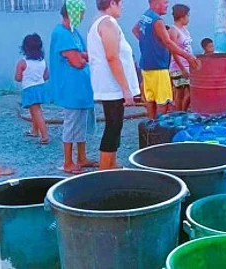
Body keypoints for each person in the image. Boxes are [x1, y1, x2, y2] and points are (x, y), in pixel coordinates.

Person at [88, 0, 140, 170]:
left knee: (116, 124)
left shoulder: (101, 23)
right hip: (112, 86)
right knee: (113, 125)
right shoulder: (108, 23)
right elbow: (112, 57)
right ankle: (104, 170)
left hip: (110, 84)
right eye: (120, 3)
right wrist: (126, 88)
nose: (122, 6)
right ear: (112, 3)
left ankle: (112, 164)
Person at [49, 0, 97, 174]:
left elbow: (83, 55)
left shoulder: (73, 32)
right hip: (71, 88)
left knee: (81, 122)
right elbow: (77, 61)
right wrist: (83, 59)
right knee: (71, 123)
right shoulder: (62, 33)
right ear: (73, 13)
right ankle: (68, 161)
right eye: (81, 12)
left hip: (81, 87)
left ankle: (82, 157)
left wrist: (82, 58)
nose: (83, 16)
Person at [133, 0, 199, 119]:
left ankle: (151, 126)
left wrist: (149, 44)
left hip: (146, 66)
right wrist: (188, 56)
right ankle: (159, 128)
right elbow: (168, 42)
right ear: (156, 3)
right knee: (162, 101)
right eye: (165, 3)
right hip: (159, 67)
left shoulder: (145, 16)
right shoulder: (157, 21)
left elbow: (135, 30)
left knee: (150, 99)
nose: (167, 7)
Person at [14, 33, 50, 144]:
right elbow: (46, 76)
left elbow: (18, 78)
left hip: (29, 89)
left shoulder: (22, 62)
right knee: (34, 111)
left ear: (24, 48)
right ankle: (34, 131)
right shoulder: (42, 61)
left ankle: (45, 136)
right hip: (40, 88)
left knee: (36, 112)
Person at [169, 4, 193, 111]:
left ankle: (183, 111)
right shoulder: (173, 31)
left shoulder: (184, 29)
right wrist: (182, 68)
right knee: (180, 92)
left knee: (191, 91)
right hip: (178, 67)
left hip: (188, 65)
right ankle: (179, 113)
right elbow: (173, 51)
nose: (188, 18)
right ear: (182, 16)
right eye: (188, 15)